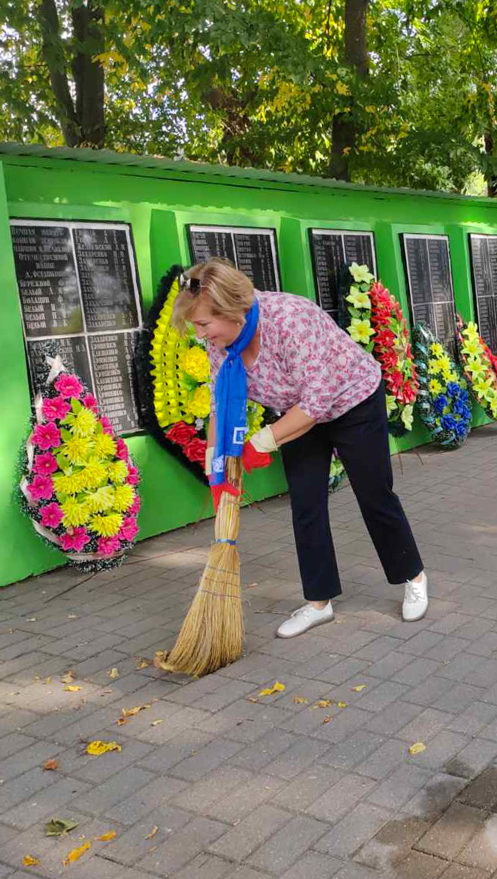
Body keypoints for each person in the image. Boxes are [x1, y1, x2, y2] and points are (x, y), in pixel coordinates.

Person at [172, 258, 428, 637]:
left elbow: (317, 401)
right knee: (307, 506)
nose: (200, 334)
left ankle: (413, 576)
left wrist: (263, 441)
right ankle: (319, 602)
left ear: (231, 311)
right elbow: (219, 404)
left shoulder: (289, 318)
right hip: (296, 412)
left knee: (373, 494)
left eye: (204, 324)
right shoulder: (222, 343)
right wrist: (215, 456)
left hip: (350, 401)